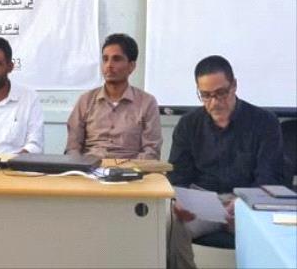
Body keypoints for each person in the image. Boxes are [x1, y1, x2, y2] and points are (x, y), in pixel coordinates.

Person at [167, 55, 283, 269]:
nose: (214, 102)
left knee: (271, 233)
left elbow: (268, 176)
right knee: (169, 224)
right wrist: (180, 201)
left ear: (234, 85)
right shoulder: (188, 124)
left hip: (247, 202)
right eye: (205, 95)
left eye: (221, 93)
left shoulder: (264, 122)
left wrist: (242, 203)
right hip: (202, 202)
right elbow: (178, 176)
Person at [65, 33, 162, 160]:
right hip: (90, 167)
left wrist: (128, 168)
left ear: (131, 66)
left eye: (116, 59)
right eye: (105, 59)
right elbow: (72, 147)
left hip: (129, 168)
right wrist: (81, 167)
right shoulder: (86, 100)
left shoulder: (147, 102)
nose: (109, 65)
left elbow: (151, 151)